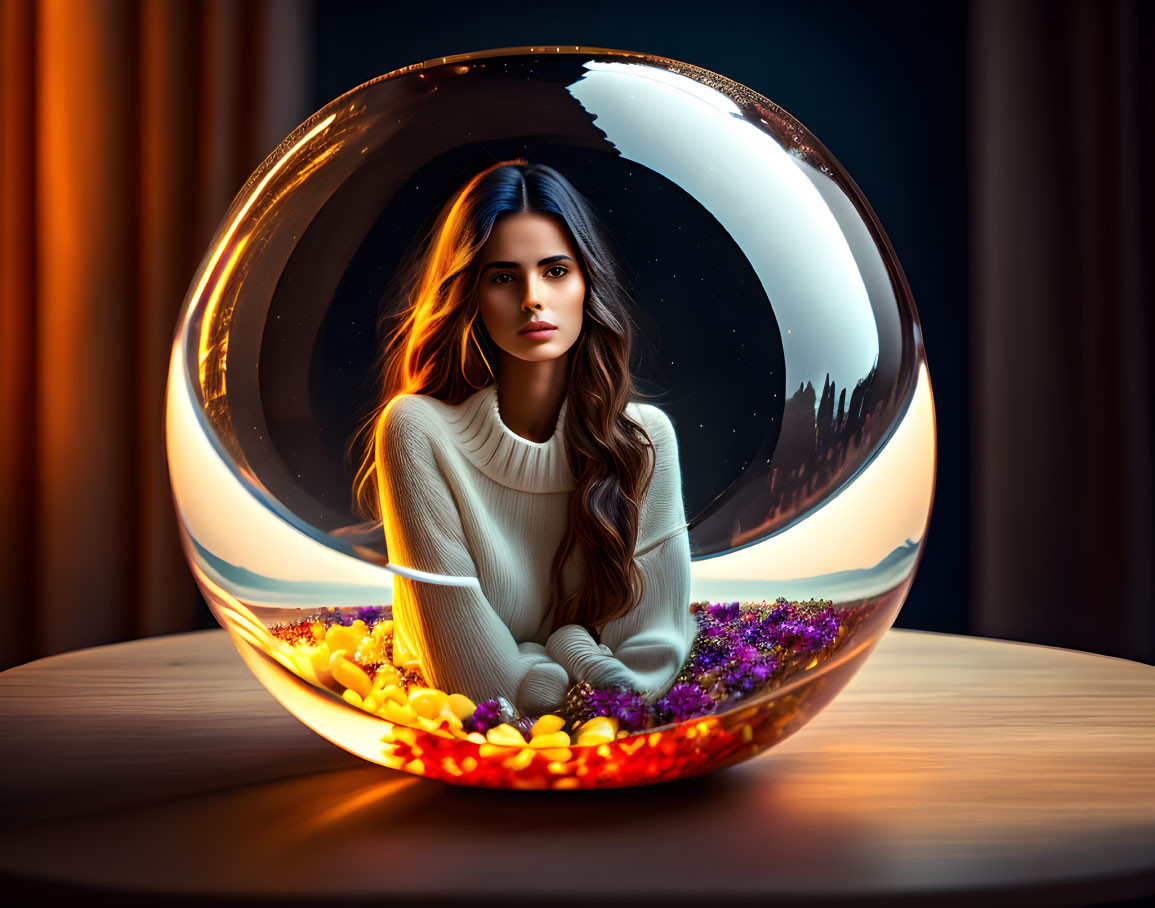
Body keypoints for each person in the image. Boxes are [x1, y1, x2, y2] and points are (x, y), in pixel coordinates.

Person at [350, 160, 694, 716]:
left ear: (588, 284)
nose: (533, 297)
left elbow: (651, 658)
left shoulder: (645, 441)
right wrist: (576, 660)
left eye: (556, 271)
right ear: (472, 297)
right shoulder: (418, 431)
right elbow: (470, 676)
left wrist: (559, 650)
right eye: (504, 277)